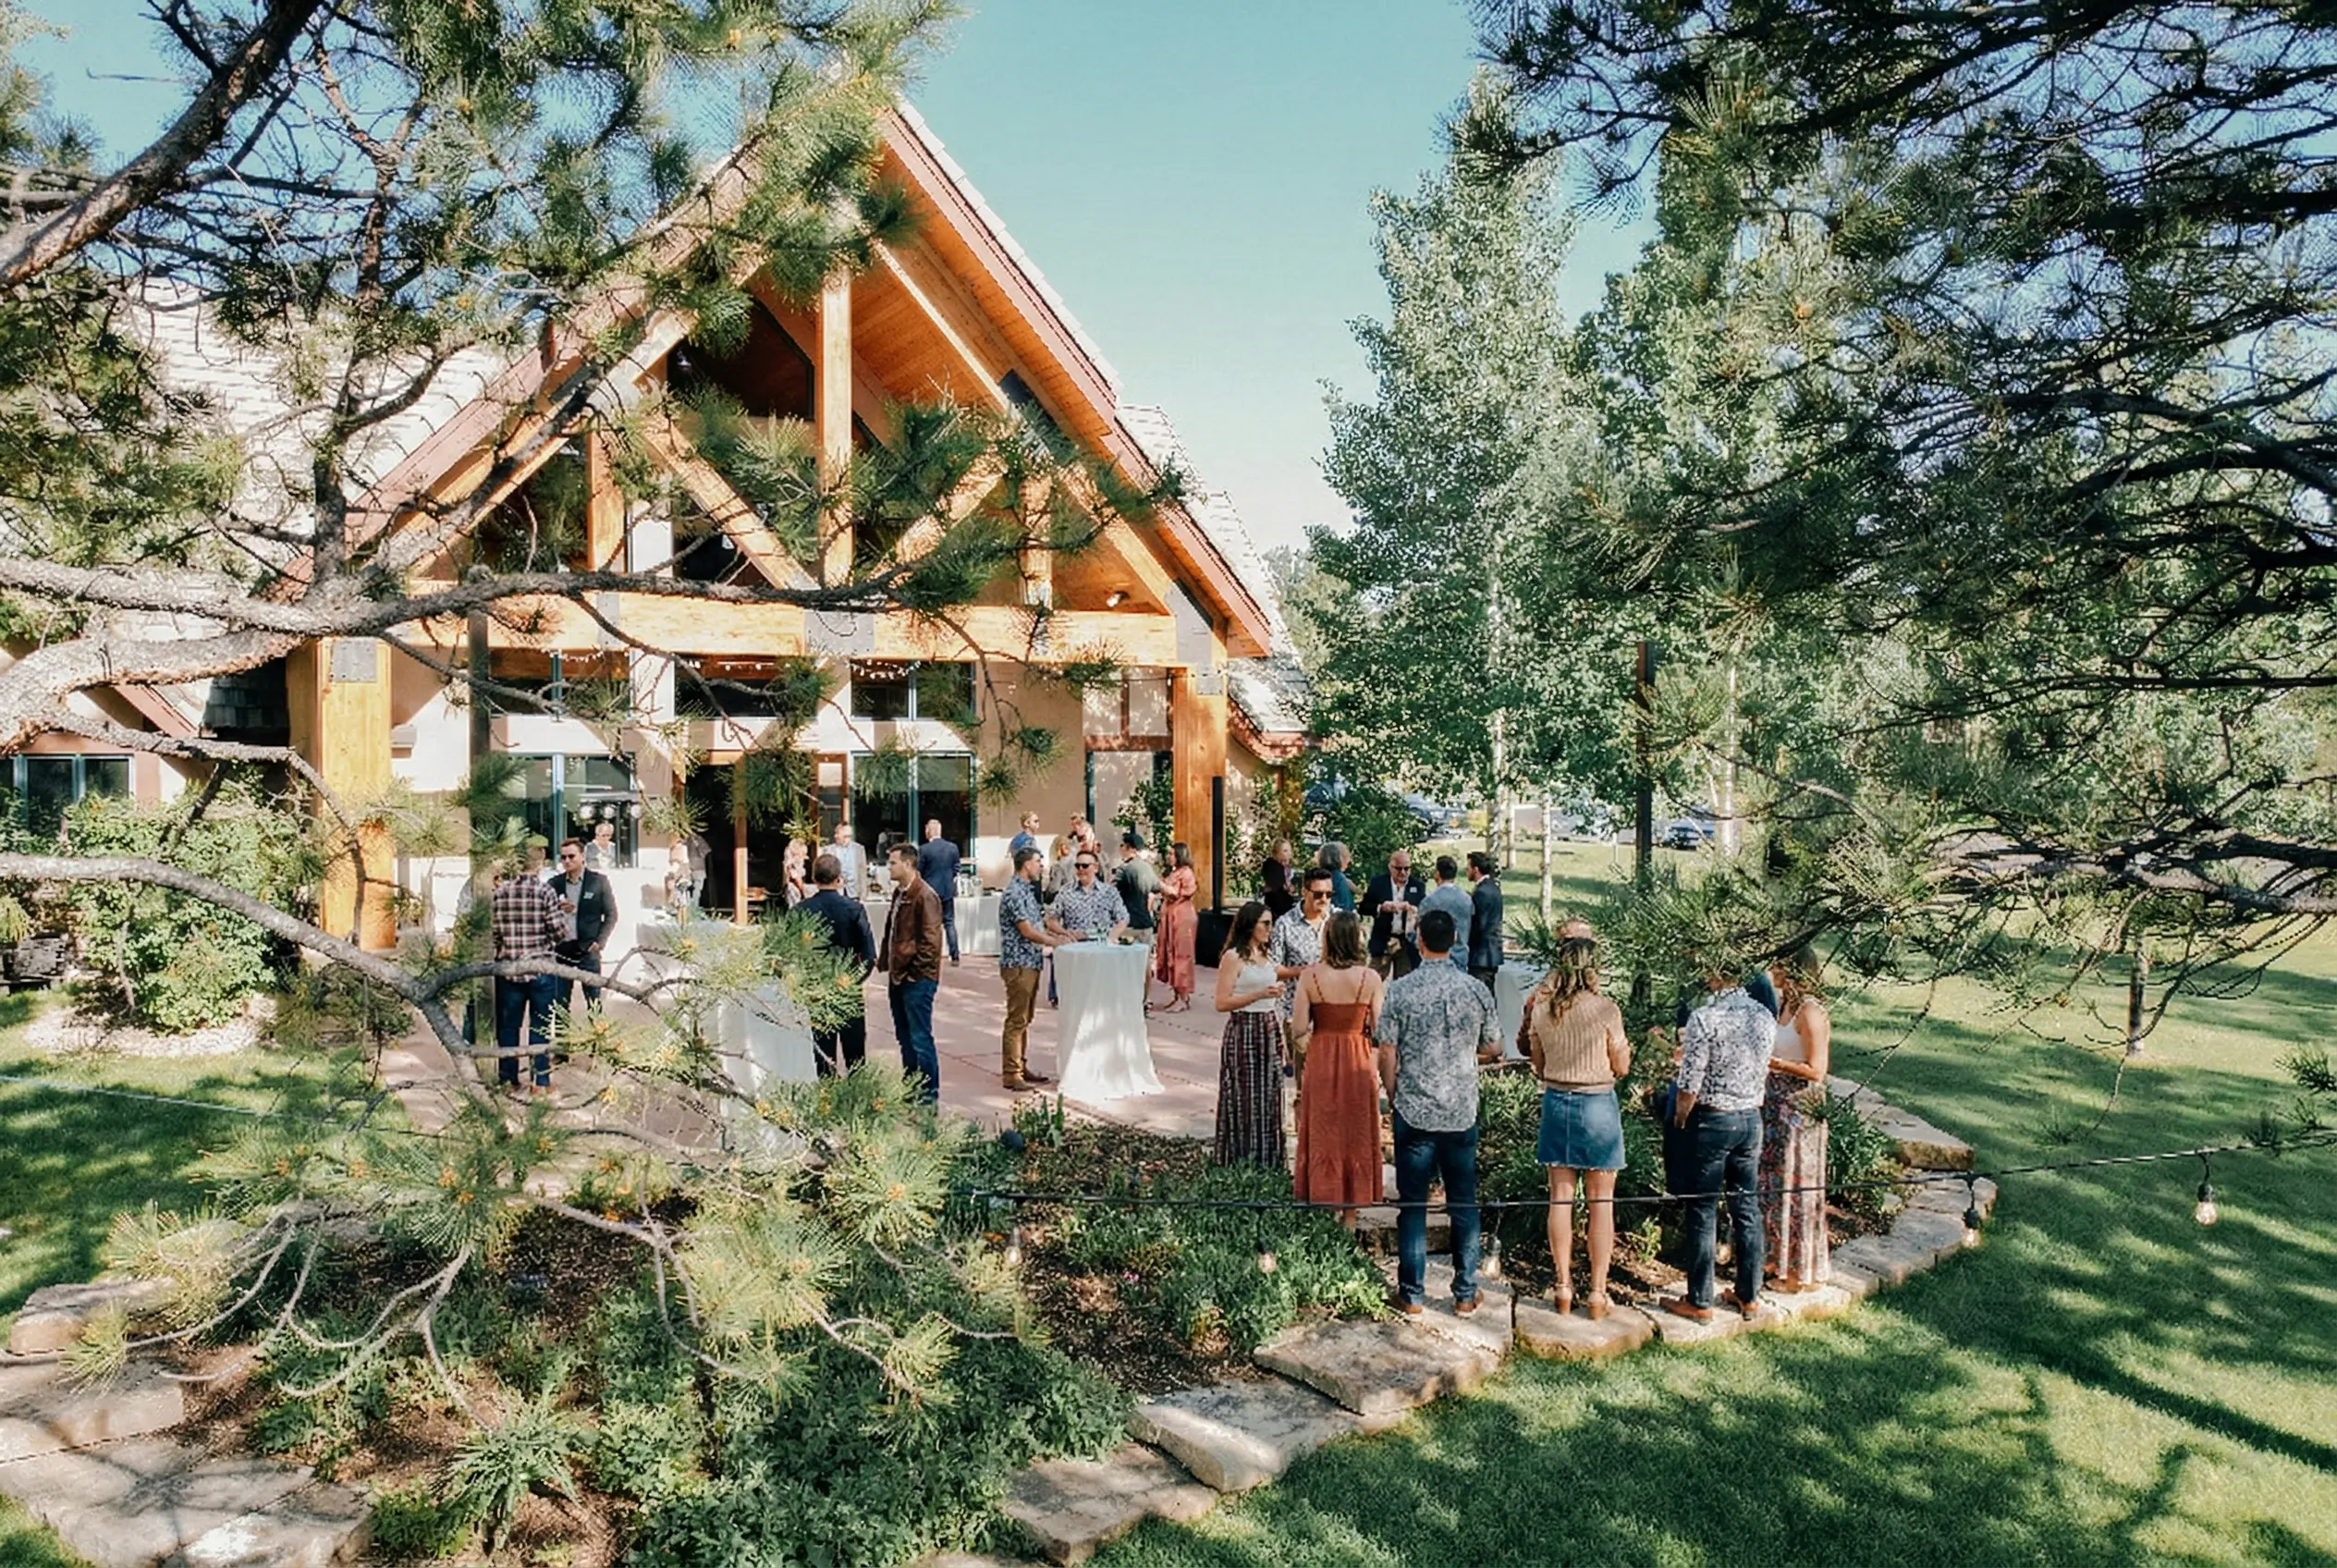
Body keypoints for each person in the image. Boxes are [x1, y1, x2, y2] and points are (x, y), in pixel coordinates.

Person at [1375, 907, 1499, 1315]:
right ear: (1455, 941)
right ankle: (1465, 1292)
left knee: (1413, 1204)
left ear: (1419, 940)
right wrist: (1464, 1052)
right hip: (1460, 1107)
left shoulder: (1401, 990)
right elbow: (1494, 1046)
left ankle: (1411, 1294)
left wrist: (1393, 1094)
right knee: (1463, 1200)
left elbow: (1387, 1052)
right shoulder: (1475, 990)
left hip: (1414, 1106)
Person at [1523, 937, 1632, 1318]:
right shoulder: (1605, 1009)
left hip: (1557, 1102)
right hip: (1598, 1103)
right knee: (1602, 1203)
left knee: (1560, 1198)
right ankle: (1598, 1294)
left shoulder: (1542, 1009)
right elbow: (1622, 1066)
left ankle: (1563, 1287)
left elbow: (1536, 1062)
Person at [1669, 965, 1777, 1321]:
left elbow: (1690, 1079)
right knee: (1746, 1207)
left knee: (1702, 1209)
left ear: (1715, 976)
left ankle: (1700, 1300)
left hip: (1713, 1118)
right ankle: (1749, 1294)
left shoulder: (1705, 1017)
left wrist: (1681, 1117)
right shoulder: (1763, 1014)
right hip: (1750, 1117)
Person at [1291, 912, 1384, 1227]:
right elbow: (1380, 1027)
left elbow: (1299, 1027)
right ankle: (1351, 1214)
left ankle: (1323, 1202)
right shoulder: (1370, 978)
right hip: (1357, 1057)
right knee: (1355, 1129)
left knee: (1323, 1126)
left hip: (1322, 1056)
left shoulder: (1310, 976)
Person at [1763, 948, 1834, 1292]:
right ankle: (1775, 1260)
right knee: (1775, 1188)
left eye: (1778, 965)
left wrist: (1775, 1063)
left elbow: (1817, 1070)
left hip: (1799, 1108)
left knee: (1797, 1189)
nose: (1772, 970)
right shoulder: (1781, 1005)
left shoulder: (1810, 1012)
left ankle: (1799, 1272)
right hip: (1773, 1106)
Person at [1212, 900, 1287, 1167]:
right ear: (1250, 924)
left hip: (1268, 1028)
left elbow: (1278, 978)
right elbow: (1221, 1002)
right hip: (1244, 1029)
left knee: (1270, 1095)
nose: (1270, 928)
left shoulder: (1266, 955)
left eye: (1271, 923)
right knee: (1244, 1096)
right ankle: (1240, 1159)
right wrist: (1258, 994)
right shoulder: (1234, 957)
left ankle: (1268, 1161)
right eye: (1265, 923)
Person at [491, 840, 566, 1094]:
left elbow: (495, 932)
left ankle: (508, 1079)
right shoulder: (546, 892)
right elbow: (559, 932)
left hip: (509, 967)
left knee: (509, 1025)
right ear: (541, 864)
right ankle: (540, 1081)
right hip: (540, 968)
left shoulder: (501, 892)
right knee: (541, 1024)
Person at [878, 844, 945, 1103]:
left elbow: (930, 943)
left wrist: (914, 975)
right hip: (899, 976)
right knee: (904, 1036)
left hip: (916, 980)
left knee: (920, 1038)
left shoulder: (924, 896)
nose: (889, 867)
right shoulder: (900, 893)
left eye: (893, 863)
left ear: (908, 864)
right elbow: (893, 932)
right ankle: (911, 1088)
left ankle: (928, 1095)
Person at [801, 853, 875, 1075]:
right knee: (856, 1057)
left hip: (816, 988)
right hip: (848, 986)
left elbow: (786, 953)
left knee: (822, 1058)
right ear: (839, 878)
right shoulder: (854, 909)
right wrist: (854, 980)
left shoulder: (801, 910)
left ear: (814, 878)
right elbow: (870, 955)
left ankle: (826, 1104)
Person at [997, 845, 1059, 1092]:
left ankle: (1020, 1066)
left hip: (1030, 961)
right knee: (1017, 1019)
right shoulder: (1015, 892)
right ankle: (1011, 1073)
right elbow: (1027, 930)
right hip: (1019, 963)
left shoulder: (1027, 890)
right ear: (1026, 865)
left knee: (1025, 1018)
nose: (1041, 866)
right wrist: (1053, 942)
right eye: (1038, 861)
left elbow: (1039, 923)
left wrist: (1061, 933)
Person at [547, 837, 617, 1016]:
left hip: (588, 949)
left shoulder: (598, 881)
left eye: (571, 856)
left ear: (583, 856)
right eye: (563, 858)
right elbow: (543, 915)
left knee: (594, 1003)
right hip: (562, 950)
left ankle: (597, 1041)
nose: (567, 861)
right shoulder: (554, 884)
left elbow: (611, 914)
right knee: (560, 1004)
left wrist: (600, 942)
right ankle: (564, 1043)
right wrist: (557, 909)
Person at [1271, 866, 1334, 1046]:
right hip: (1297, 1010)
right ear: (1304, 892)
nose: (1324, 900)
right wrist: (1304, 971)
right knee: (1302, 1071)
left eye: (1329, 895)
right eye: (1318, 894)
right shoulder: (1285, 924)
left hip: (1331, 1009)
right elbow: (1273, 969)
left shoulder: (1337, 920)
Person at [1363, 850, 1426, 979]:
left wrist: (1413, 911)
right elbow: (1364, 907)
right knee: (1372, 979)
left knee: (1405, 982)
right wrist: (1381, 908)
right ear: (1390, 867)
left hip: (1405, 943)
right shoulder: (1378, 883)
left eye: (1406, 869)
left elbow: (1423, 911)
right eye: (1398, 869)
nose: (1403, 872)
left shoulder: (1418, 886)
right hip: (1382, 939)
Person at [1046, 846, 1128, 943]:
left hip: (1101, 947)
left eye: (1085, 866)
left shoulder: (1109, 892)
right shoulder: (1065, 892)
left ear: (1096, 868)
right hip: (1075, 948)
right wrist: (1065, 933)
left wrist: (1110, 939)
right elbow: (1051, 920)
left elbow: (1123, 919)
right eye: (1077, 866)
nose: (1081, 869)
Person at [1154, 841, 1199, 1011]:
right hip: (1171, 917)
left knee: (1182, 955)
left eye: (1172, 854)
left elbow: (1179, 893)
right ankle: (1176, 994)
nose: (1169, 857)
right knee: (1170, 953)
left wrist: (1161, 886)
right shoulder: (1174, 872)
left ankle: (1183, 997)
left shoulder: (1187, 873)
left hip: (1182, 917)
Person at [917, 818, 963, 966]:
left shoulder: (924, 850)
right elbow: (957, 868)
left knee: (931, 925)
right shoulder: (953, 848)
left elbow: (919, 871)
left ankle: (932, 955)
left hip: (930, 892)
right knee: (949, 923)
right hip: (948, 890)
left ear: (928, 831)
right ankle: (955, 955)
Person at [1420, 854, 1473, 967]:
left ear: (1437, 874)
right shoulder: (1467, 899)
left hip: (1435, 960)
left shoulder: (1430, 901)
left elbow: (1420, 931)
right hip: (1461, 958)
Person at [1115, 830, 1160, 951]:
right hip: (1145, 921)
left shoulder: (1123, 869)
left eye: (1122, 845)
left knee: (1127, 962)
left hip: (1128, 923)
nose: (1120, 848)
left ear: (1129, 848)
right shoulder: (1147, 867)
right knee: (1145, 962)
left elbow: (1111, 892)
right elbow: (1157, 888)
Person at [1465, 851, 1504, 990]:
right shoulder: (1493, 888)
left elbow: (1479, 925)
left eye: (1468, 867)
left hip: (1481, 955)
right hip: (1490, 952)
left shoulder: (1482, 893)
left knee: (1481, 995)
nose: (1466, 870)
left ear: (1476, 869)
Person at [1261, 838, 1297, 919]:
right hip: (1275, 904)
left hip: (1285, 905)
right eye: (1285, 851)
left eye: (1289, 850)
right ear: (1276, 853)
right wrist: (1287, 887)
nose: (1288, 854)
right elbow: (1276, 884)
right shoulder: (1271, 866)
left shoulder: (1287, 867)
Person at [829, 820, 866, 898]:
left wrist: (863, 895)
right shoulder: (829, 850)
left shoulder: (859, 849)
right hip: (837, 892)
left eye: (849, 836)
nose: (847, 839)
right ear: (837, 835)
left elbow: (862, 872)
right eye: (845, 836)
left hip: (854, 892)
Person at [1318, 841, 1356, 913]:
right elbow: (1344, 907)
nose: (1349, 860)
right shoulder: (1339, 879)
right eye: (1346, 856)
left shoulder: (1318, 876)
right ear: (1340, 858)